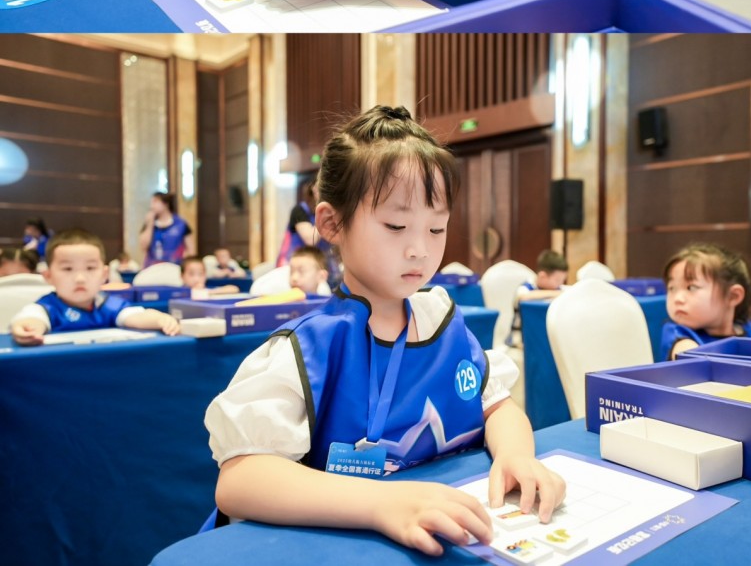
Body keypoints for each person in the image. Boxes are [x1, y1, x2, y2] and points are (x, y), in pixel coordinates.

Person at [204, 105, 565, 552]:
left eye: (437, 228)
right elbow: (240, 480)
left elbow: (498, 406)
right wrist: (380, 504)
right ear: (332, 223)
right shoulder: (311, 349)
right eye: (396, 225)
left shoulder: (442, 321)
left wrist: (515, 456)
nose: (419, 249)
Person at [9, 228, 180, 345]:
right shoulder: (46, 308)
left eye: (90, 268)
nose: (80, 278)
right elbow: (32, 320)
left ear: (104, 275)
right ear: (48, 276)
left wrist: (161, 319)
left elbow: (136, 316)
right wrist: (28, 329)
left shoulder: (109, 305)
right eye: (68, 269)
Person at [661, 242, 751, 360]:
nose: (677, 299)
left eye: (691, 288)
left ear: (733, 296)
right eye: (672, 288)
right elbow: (692, 361)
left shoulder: (748, 329)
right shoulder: (679, 334)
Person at [139, 192, 196, 266]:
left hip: (175, 267)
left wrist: (180, 259)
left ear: (165, 204)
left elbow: (191, 250)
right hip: (153, 267)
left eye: (155, 201)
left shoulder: (181, 224)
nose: (152, 206)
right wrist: (149, 224)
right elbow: (143, 247)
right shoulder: (150, 223)